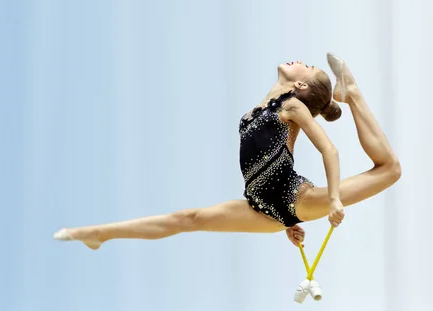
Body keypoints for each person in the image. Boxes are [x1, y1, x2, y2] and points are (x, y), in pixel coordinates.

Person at [53, 53, 401, 250]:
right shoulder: (257, 110)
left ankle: (352, 93)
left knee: (389, 170)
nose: (300, 59)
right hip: (262, 207)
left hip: (296, 196)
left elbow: (331, 150)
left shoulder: (292, 106)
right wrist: (286, 224)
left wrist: (335, 199)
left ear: (300, 85)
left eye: (307, 66)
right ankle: (100, 233)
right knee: (187, 219)